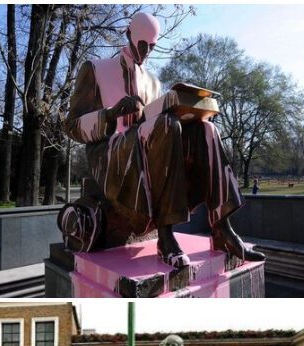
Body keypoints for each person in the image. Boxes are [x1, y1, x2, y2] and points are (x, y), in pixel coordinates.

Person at [64, 12, 264, 267]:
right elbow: (72, 126)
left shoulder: (152, 82)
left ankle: (222, 228)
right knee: (167, 125)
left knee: (206, 130)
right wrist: (111, 114)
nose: (146, 52)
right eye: (142, 44)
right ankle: (166, 234)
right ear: (128, 34)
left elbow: (152, 123)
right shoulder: (95, 68)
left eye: (151, 46)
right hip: (108, 154)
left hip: (146, 146)